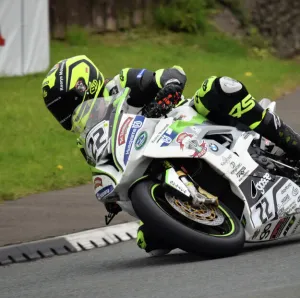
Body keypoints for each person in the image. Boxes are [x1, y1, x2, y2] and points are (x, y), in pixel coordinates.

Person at [42, 55, 300, 257]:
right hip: (153, 161)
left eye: (64, 103)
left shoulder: (122, 83)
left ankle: (292, 144)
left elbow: (172, 73)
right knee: (149, 242)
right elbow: (103, 167)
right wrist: (112, 199)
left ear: (82, 84)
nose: (63, 113)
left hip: (187, 123)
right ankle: (209, 215)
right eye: (58, 110)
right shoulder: (85, 141)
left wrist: (170, 87)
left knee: (220, 88)